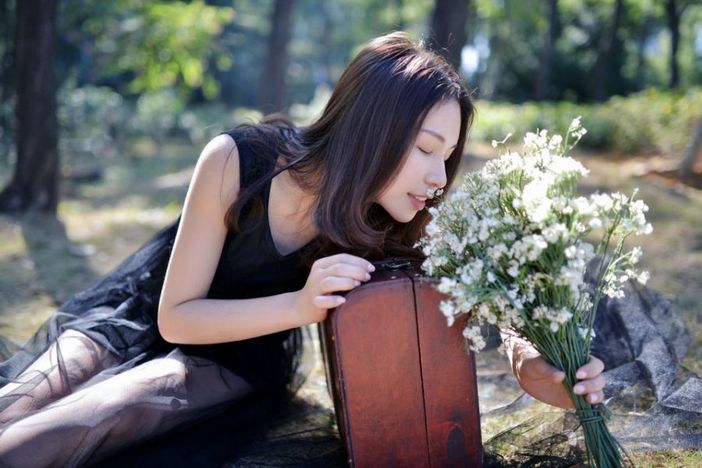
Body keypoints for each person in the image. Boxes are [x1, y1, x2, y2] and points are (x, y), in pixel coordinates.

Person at [0, 32, 604, 466]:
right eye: (425, 148)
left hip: (234, 361)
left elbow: (493, 307)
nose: (439, 177)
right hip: (140, 312)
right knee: (26, 398)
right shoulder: (239, 160)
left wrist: (536, 369)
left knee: (94, 414)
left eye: (447, 157)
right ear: (374, 129)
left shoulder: (396, 221)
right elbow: (174, 314)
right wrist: (303, 302)